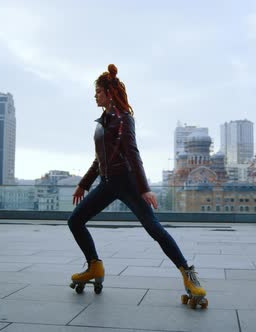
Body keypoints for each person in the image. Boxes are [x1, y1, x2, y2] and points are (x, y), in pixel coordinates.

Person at [68, 64, 207, 308]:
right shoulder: (101, 122)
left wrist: (144, 188)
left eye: (98, 91)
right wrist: (84, 185)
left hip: (129, 184)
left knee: (154, 229)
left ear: (109, 93)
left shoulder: (124, 120)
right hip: (107, 183)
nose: (95, 96)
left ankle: (188, 273)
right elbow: (99, 161)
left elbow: (132, 153)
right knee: (75, 220)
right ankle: (94, 266)